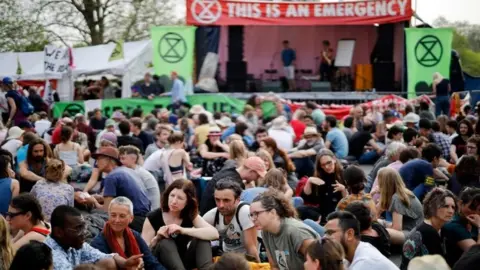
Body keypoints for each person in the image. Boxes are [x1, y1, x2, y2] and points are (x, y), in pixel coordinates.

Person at [141, 179, 218, 270]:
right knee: (166, 242)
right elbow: (143, 253)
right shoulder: (153, 217)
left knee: (202, 238)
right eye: (172, 195)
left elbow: (214, 234)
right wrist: (157, 238)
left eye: (180, 198)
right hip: (160, 263)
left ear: (188, 202)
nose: (174, 201)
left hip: (182, 261)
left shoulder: (189, 215)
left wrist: (183, 230)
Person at [45, 205, 143, 269]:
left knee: (109, 262)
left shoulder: (72, 243)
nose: (85, 232)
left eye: (83, 226)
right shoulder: (51, 255)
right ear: (59, 232)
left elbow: (105, 256)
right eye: (78, 228)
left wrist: (126, 263)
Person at [86, 146, 151, 232]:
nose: (96, 163)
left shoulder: (111, 177)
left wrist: (93, 202)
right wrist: (101, 198)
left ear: (108, 160)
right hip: (146, 217)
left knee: (92, 216)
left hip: (134, 220)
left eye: (98, 159)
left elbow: (107, 211)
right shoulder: (127, 170)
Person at [250, 189, 318, 270]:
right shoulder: (266, 231)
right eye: (251, 215)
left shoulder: (296, 232)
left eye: (256, 214)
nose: (253, 219)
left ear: (273, 213)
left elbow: (320, 263)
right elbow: (274, 266)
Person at [90, 197, 165, 270]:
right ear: (108, 216)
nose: (117, 220)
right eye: (113, 215)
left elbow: (151, 262)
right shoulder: (99, 242)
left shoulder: (135, 236)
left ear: (131, 218)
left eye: (122, 216)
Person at [401, 188, 457, 269]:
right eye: (446, 206)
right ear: (432, 207)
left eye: (453, 207)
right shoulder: (428, 232)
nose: (451, 211)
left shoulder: (442, 229)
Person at [203, 180, 259, 260]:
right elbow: (192, 238)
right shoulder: (213, 215)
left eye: (226, 200)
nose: (221, 205)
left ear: (237, 200)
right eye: (217, 200)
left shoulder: (244, 211)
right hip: (226, 257)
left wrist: (258, 267)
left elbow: (251, 248)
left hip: (246, 259)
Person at [324, 211, 399, 270]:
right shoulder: (353, 253)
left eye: (330, 233)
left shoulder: (365, 261)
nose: (324, 238)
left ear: (350, 234)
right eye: (325, 233)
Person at [200, 156, 266, 215]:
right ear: (251, 172)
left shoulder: (227, 171)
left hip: (206, 213)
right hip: (214, 218)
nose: (256, 179)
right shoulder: (236, 183)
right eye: (257, 175)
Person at [376, 168, 424, 245]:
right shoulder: (399, 192)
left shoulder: (397, 197)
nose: (378, 185)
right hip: (405, 228)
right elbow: (375, 215)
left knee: (384, 232)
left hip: (412, 233)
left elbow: (397, 228)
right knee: (376, 223)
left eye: (380, 183)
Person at [297, 149, 347, 223]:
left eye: (329, 163)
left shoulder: (344, 173)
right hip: (323, 211)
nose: (327, 167)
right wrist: (309, 181)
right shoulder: (320, 175)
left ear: (334, 159)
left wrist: (343, 189)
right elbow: (307, 198)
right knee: (299, 210)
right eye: (323, 165)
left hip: (340, 212)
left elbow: (351, 200)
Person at [442, 187, 480, 266]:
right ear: (460, 204)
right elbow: (476, 255)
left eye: (479, 209)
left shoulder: (472, 221)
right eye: (472, 207)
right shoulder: (453, 225)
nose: (475, 212)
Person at [118, 145, 161, 210]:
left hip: (149, 212)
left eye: (123, 158)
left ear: (133, 159)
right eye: (120, 158)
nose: (120, 161)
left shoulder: (137, 173)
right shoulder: (134, 171)